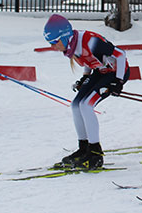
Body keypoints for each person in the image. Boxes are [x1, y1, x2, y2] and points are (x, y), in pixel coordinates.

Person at [43, 14, 129, 169]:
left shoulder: (90, 41)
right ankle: (83, 148)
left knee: (86, 106)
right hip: (100, 72)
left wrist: (119, 81)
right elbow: (89, 59)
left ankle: (95, 153)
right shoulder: (72, 44)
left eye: (54, 42)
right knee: (76, 105)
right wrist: (85, 77)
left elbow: (121, 54)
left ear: (64, 37)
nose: (52, 47)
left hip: (115, 73)